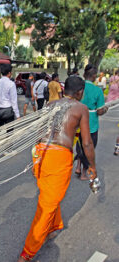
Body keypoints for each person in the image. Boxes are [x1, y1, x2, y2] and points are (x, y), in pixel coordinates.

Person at [18, 76, 97, 261]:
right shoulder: (81, 108)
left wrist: (35, 158)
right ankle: (26, 254)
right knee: (47, 205)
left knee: (49, 195)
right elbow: (87, 143)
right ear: (79, 92)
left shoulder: (50, 105)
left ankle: (53, 227)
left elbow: (39, 132)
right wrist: (92, 166)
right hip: (58, 156)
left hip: (40, 152)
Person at [75, 64, 108, 180]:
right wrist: (104, 109)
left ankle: (78, 166)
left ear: (84, 75)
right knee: (88, 147)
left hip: (77, 121)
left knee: (79, 144)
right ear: (94, 76)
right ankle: (84, 172)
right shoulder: (97, 90)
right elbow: (99, 111)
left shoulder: (78, 87)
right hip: (91, 124)